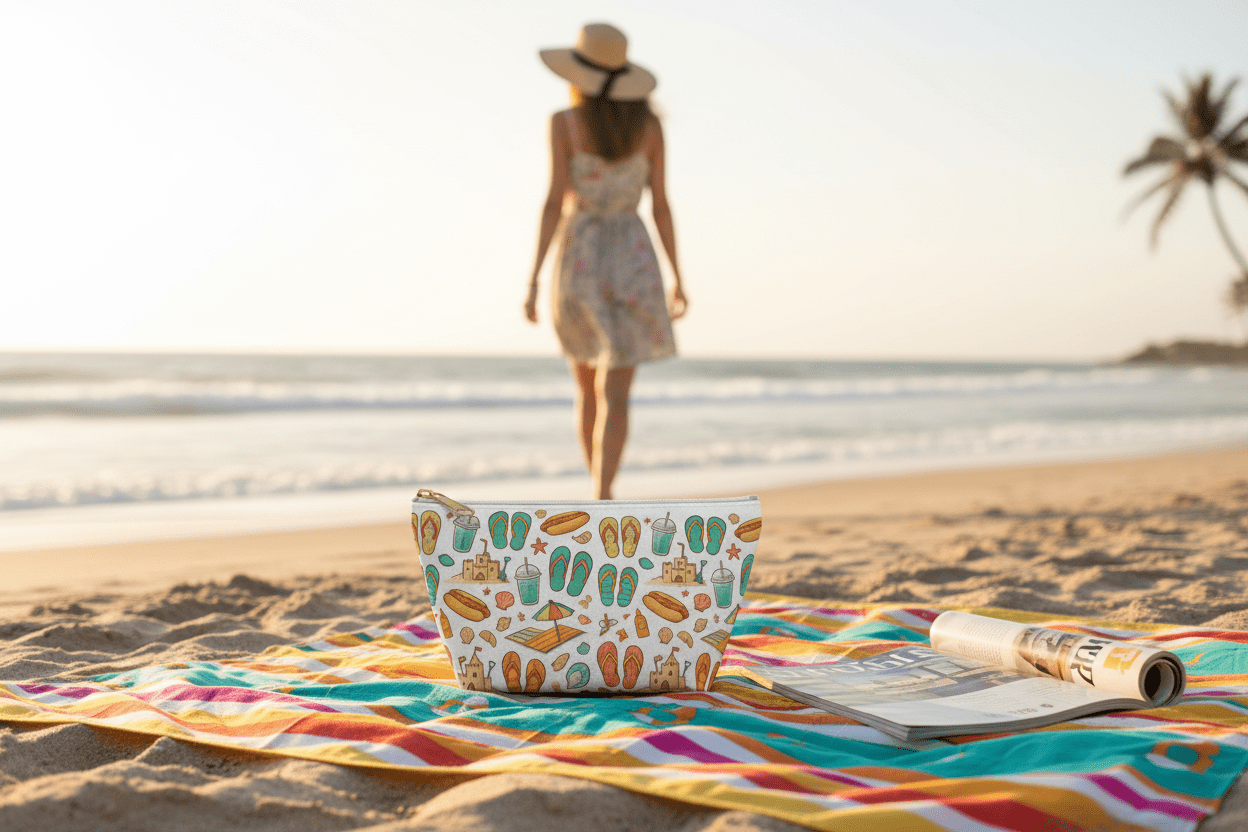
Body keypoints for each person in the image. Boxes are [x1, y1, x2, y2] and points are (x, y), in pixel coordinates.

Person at [525, 23, 687, 500]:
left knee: (586, 385)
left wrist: (534, 278)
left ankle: (600, 496)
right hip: (633, 255)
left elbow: (555, 200)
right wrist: (678, 275)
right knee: (616, 392)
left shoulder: (564, 124)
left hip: (580, 255)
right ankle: (603, 490)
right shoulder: (649, 128)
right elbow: (660, 205)